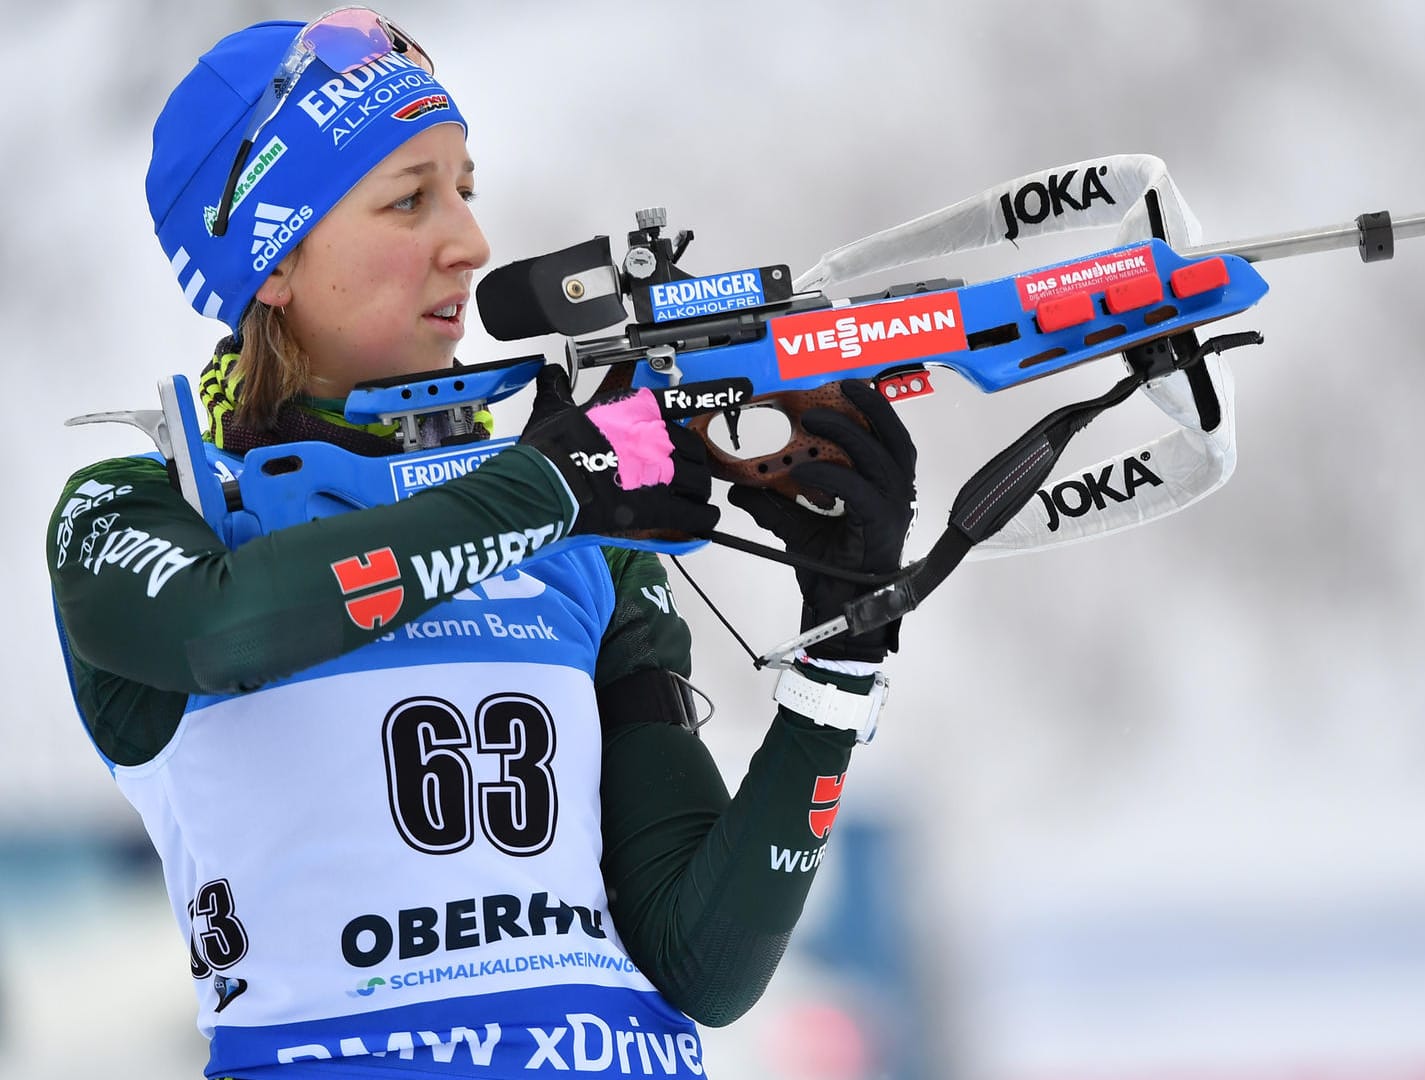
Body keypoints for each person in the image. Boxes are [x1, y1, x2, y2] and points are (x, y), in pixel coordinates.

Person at [45, 10, 916, 1077]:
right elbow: (229, 624)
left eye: (465, 188)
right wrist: (548, 485)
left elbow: (703, 962)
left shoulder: (579, 536)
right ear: (272, 262)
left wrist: (846, 643)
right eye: (410, 198)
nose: (470, 241)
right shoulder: (141, 512)